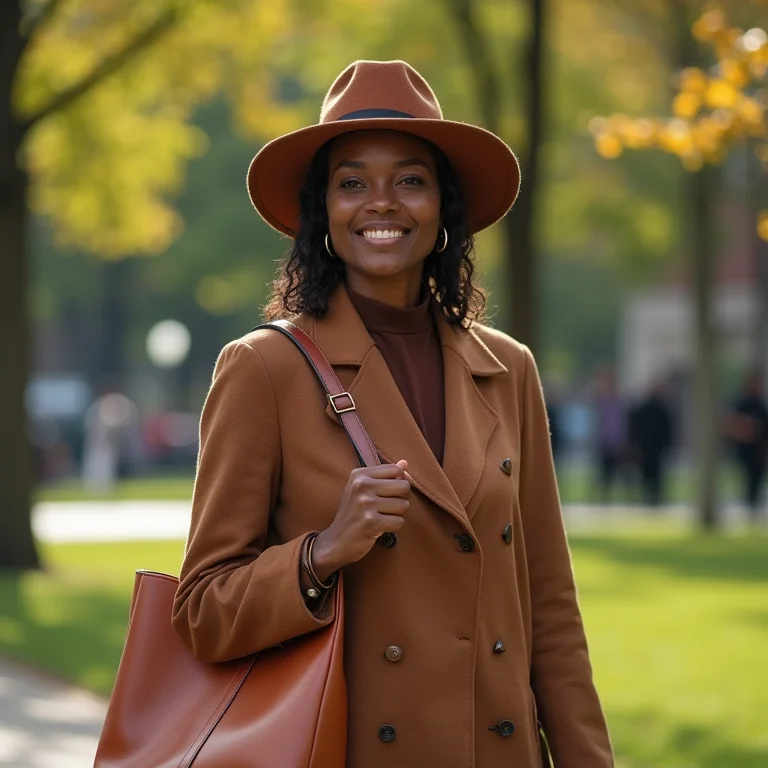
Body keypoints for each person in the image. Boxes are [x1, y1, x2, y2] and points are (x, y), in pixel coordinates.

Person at [172, 60, 613, 767]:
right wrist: (320, 553)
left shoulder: (508, 368)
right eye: (352, 183)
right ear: (323, 214)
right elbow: (201, 612)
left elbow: (551, 610)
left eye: (410, 179)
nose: (382, 203)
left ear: (444, 208)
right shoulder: (264, 368)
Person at [725, 370, 768, 520]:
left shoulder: (761, 404)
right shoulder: (741, 403)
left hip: (759, 450)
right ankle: (750, 507)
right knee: (748, 480)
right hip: (745, 450)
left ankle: (754, 507)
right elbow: (731, 424)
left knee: (758, 479)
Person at [628, 379, 675, 506]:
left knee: (651, 474)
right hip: (652, 447)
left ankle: (651, 497)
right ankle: (652, 497)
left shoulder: (649, 409)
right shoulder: (661, 409)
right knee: (653, 474)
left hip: (650, 447)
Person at [592, 367, 627, 502]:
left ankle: (614, 497)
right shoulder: (599, 402)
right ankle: (603, 496)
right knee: (603, 470)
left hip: (617, 442)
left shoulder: (620, 402)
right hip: (603, 441)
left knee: (617, 471)